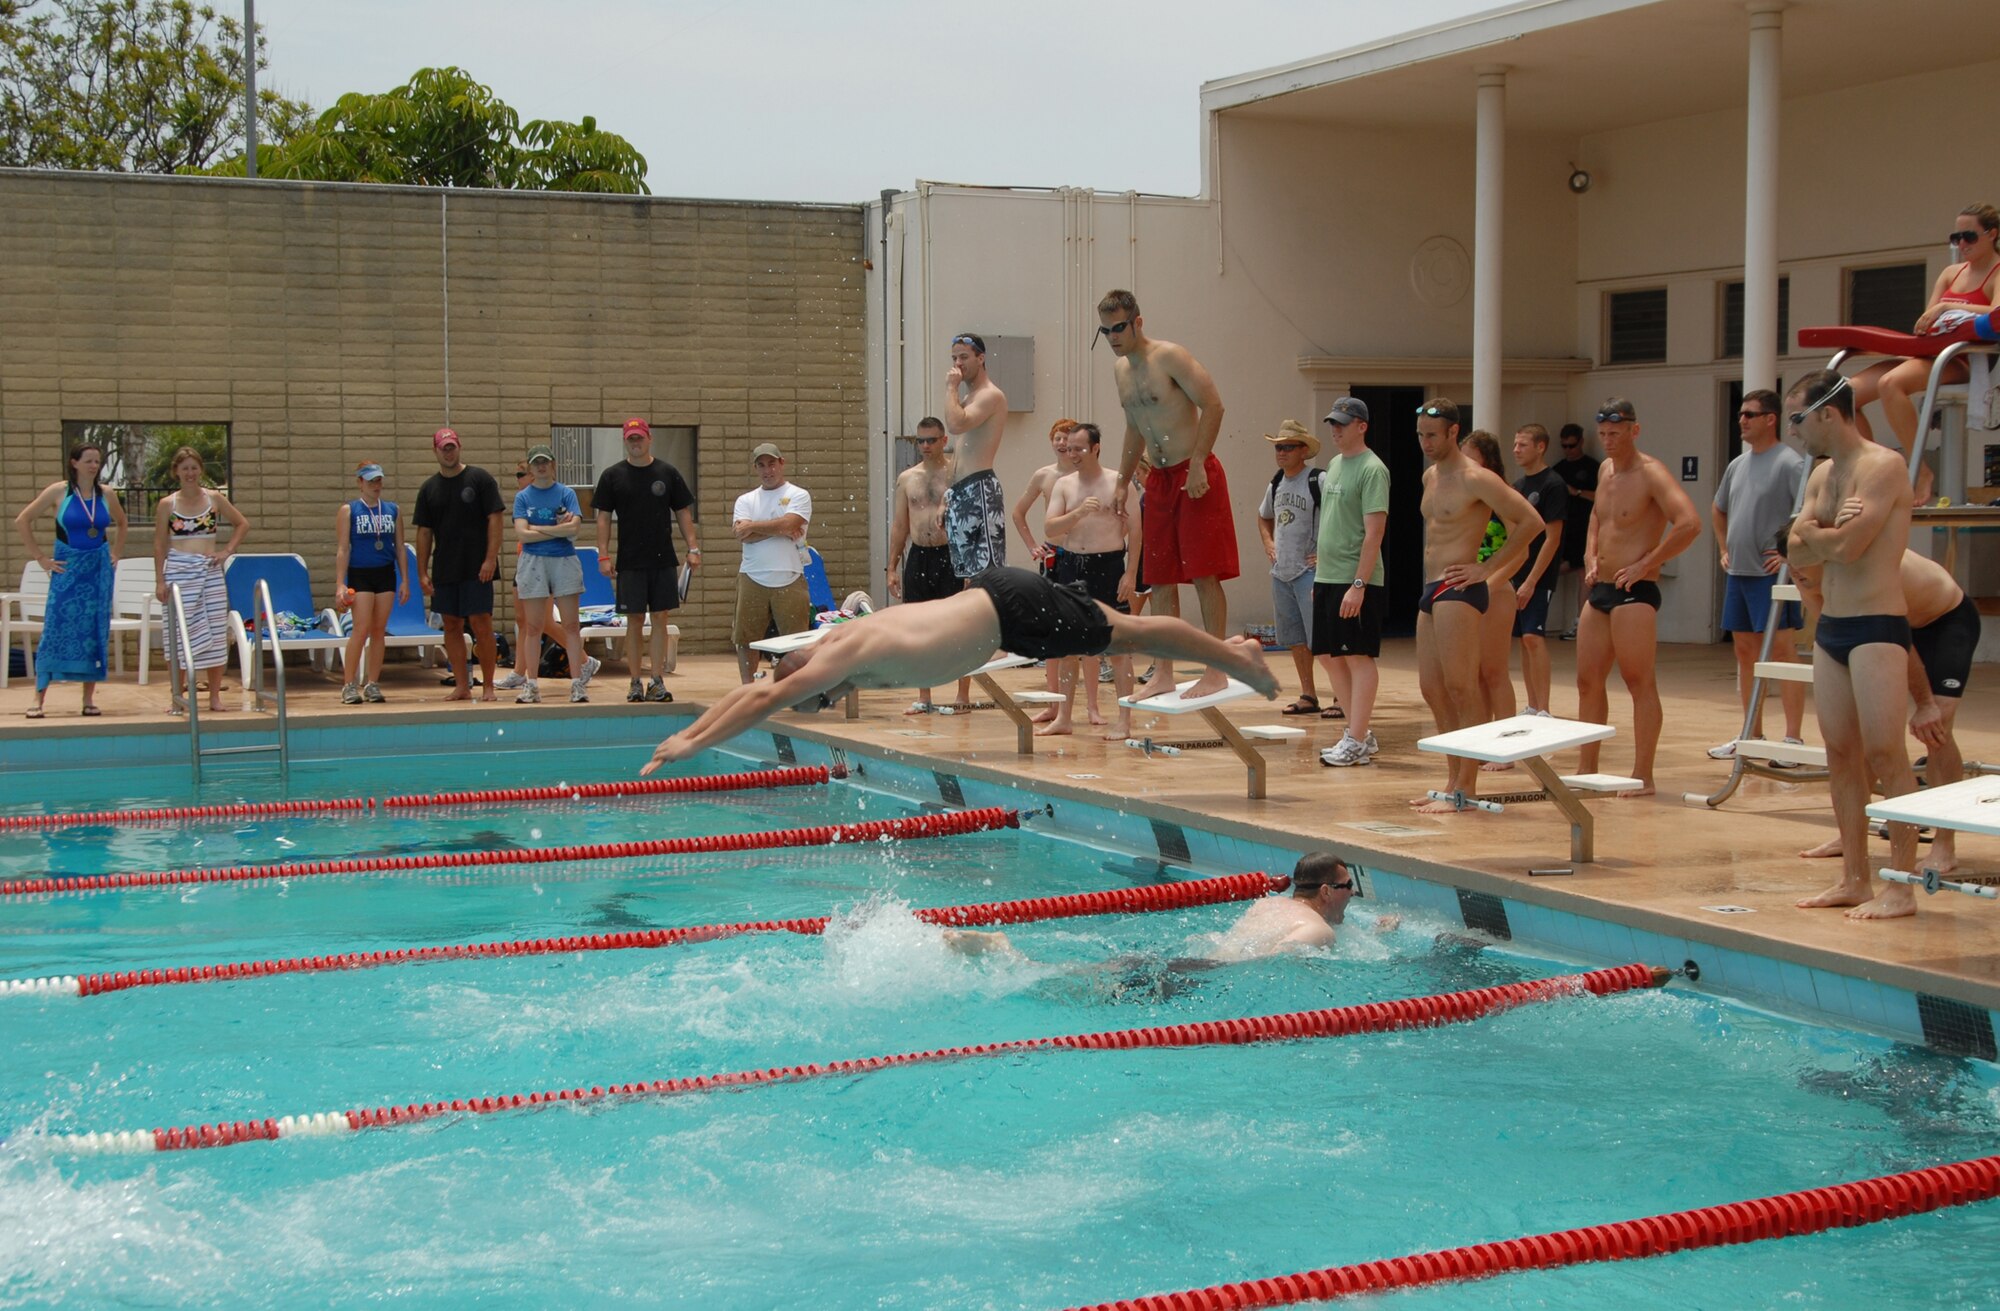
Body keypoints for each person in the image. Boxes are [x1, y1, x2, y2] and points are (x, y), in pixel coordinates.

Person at [643, 565, 1277, 771]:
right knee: (1118, 636)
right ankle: (1231, 653)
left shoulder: (842, 652)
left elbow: (760, 702)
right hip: (1000, 608)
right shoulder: (838, 646)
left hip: (1008, 609)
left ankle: (1234, 655)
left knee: (1127, 633)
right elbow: (753, 691)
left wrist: (689, 743)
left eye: (795, 671)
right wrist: (697, 728)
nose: (795, 665)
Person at [1783, 370, 1919, 919]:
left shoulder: (1883, 466)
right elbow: (1796, 549)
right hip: (1833, 628)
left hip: (1878, 626)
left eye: (1797, 418)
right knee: (1840, 754)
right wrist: (1821, 534)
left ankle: (1902, 885)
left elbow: (1852, 546)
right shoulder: (1821, 474)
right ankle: (1855, 878)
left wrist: (1817, 536)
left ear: (1827, 413)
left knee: (1887, 754)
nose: (1795, 431)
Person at [1792, 548, 1976, 877]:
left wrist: (1925, 704)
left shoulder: (1874, 568)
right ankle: (1850, 835)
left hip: (1946, 620)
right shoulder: (1805, 576)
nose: (1796, 573)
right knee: (1865, 736)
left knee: (1937, 727)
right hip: (1892, 629)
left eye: (1802, 564)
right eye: (1789, 564)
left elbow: (1900, 638)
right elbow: (1833, 633)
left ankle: (1944, 844)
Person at [1100, 288, 1239, 701]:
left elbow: (1213, 405)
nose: (1113, 337)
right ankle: (1163, 672)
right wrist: (1123, 479)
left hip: (1194, 473)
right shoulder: (1121, 372)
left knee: (1203, 573)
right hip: (1157, 480)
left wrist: (1199, 461)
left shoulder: (1171, 356)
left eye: (1119, 327)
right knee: (1159, 578)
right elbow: (1133, 426)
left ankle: (1215, 670)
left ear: (1138, 322)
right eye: (1105, 330)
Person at [1409, 400, 1538, 813]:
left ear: (1453, 433)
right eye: (1420, 435)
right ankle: (1452, 781)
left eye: (1432, 435)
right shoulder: (1430, 476)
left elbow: (1530, 523)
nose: (1425, 442)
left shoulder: (1476, 478)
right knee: (1433, 689)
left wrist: (1486, 568)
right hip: (1431, 589)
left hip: (1459, 590)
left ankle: (1468, 787)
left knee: (1463, 687)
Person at [1573, 398, 1700, 798]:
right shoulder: (1605, 469)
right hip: (1602, 589)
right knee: (1587, 681)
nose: (1608, 441)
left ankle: (1643, 775)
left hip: (1635, 592)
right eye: (1603, 434)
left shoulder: (1652, 474)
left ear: (1634, 430)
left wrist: (1649, 562)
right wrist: (1590, 555)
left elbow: (1689, 524)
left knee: (1638, 681)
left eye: (1616, 433)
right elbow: (1598, 516)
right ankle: (1586, 768)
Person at [943, 851, 1360, 967]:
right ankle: (1005, 952)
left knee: (1081, 983)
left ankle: (1008, 953)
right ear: (1326, 891)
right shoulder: (1319, 933)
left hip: (1190, 959)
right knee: (1065, 990)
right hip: (1195, 976)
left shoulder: (1270, 904)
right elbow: (1269, 966)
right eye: (1347, 887)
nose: (1352, 894)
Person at [1847, 204, 1999, 505]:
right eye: (1956, 237)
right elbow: (1926, 319)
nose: (1962, 244)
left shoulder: (1997, 272)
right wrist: (1939, 313)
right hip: (1932, 352)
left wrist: (1948, 308)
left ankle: (1921, 471)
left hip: (1964, 359)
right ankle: (1878, 467)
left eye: (1969, 236)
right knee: (1845, 396)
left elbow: (1996, 313)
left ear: (1992, 234)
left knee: (1891, 384)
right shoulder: (1950, 273)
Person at [1708, 389, 1808, 760]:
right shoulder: (1737, 464)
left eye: (1750, 414)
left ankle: (1793, 738)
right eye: (1740, 415)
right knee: (1745, 652)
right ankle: (1752, 732)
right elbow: (1718, 510)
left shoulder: (1790, 464)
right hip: (1739, 573)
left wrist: (1788, 557)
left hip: (1772, 578)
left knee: (1782, 652)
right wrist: (1723, 548)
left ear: (1771, 419)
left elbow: (1808, 516)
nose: (1742, 421)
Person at [14, 440, 128, 717]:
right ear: (74, 463)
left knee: (93, 631)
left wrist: (115, 553)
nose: (93, 465)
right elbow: (22, 520)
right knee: (55, 629)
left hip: (97, 571)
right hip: (68, 570)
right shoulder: (58, 492)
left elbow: (122, 523)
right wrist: (41, 558)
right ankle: (39, 699)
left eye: (96, 461)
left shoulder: (107, 494)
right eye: (88, 460)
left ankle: (88, 699)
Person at [593, 416, 699, 703]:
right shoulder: (612, 476)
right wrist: (603, 555)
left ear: (649, 438)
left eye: (640, 437)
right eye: (631, 438)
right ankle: (635, 681)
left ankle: (657, 680)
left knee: (660, 618)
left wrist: (693, 548)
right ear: (625, 441)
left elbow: (682, 512)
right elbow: (603, 518)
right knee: (635, 620)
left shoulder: (667, 472)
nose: (636, 442)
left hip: (663, 559)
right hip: (630, 560)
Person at [1039, 423, 1135, 738]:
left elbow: (1138, 532)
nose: (1073, 454)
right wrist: (1077, 513)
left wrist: (1131, 573)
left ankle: (1124, 720)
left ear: (1095, 448)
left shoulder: (1119, 484)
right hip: (1071, 566)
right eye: (1069, 449)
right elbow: (1050, 529)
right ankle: (1064, 717)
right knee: (1068, 647)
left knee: (1118, 647)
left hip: (1108, 567)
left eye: (1080, 449)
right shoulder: (1064, 486)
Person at [1314, 397, 1388, 768]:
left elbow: (1374, 533)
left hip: (1355, 579)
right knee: (1328, 655)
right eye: (1333, 423)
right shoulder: (1334, 464)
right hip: (1328, 576)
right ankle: (1358, 730)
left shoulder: (1373, 470)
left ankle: (1356, 739)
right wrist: (1320, 575)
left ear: (1362, 426)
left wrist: (1358, 585)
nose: (1335, 429)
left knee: (1359, 656)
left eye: (1343, 423)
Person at [888, 416, 974, 715]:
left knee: (959, 628)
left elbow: (968, 522)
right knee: (918, 628)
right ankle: (924, 695)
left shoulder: (957, 473)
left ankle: (962, 695)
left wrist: (969, 568)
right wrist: (891, 567)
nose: (925, 446)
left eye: (931, 440)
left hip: (950, 556)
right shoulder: (907, 478)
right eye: (920, 441)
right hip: (919, 556)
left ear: (943, 440)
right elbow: (900, 525)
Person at [152, 446, 247, 714]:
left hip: (209, 572)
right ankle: (177, 697)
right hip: (179, 573)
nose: (190, 473)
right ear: (176, 472)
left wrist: (227, 551)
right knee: (178, 637)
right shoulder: (167, 505)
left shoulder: (214, 499)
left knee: (217, 634)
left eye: (194, 468)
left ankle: (214, 696)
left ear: (200, 470)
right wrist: (159, 580)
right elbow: (159, 545)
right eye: (185, 469)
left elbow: (242, 524)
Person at [414, 428, 504, 703]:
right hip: (446, 566)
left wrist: (490, 559)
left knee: (481, 624)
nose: (448, 452)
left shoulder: (480, 479)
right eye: (444, 448)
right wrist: (422, 572)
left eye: (452, 447)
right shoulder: (429, 488)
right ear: (435, 451)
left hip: (478, 566)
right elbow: (424, 532)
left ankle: (488, 685)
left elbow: (496, 519)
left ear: (459, 447)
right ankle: (462, 685)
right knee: (451, 626)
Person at [508, 444, 600, 704]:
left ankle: (577, 683)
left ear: (553, 465)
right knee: (533, 626)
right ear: (530, 467)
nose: (541, 466)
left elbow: (574, 531)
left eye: (545, 462)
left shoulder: (566, 494)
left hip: (564, 560)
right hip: (533, 562)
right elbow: (522, 534)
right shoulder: (523, 497)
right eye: (536, 463)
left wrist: (538, 528)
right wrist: (555, 528)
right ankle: (532, 685)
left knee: (571, 626)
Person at [1009, 418, 1085, 718]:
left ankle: (1090, 706)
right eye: (1057, 437)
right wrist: (1032, 546)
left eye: (1067, 437)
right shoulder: (1044, 475)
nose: (1062, 442)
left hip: (1083, 553)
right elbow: (1018, 513)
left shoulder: (1086, 475)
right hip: (1054, 554)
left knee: (1085, 629)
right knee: (1052, 631)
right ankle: (1054, 704)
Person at [1256, 418, 1329, 718]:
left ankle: (1341, 696)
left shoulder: (1318, 480)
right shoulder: (1275, 483)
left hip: (1310, 572)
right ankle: (1308, 694)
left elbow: (1338, 517)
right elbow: (1263, 517)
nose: (1281, 452)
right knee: (1296, 640)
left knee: (1322, 639)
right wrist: (1268, 544)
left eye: (1287, 447)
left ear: (1303, 450)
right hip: (1282, 573)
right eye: (1278, 447)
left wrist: (1326, 554)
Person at [1460, 431, 1523, 752]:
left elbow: (1521, 551)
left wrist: (1490, 584)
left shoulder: (1500, 495)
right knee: (1476, 674)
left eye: (1470, 457)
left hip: (1495, 591)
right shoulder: (1466, 496)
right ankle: (1485, 741)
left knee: (1495, 671)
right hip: (1467, 592)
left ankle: (1507, 746)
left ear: (1487, 461)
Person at [731, 443, 813, 683]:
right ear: (756, 468)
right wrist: (780, 527)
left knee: (796, 641)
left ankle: (794, 689)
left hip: (790, 575)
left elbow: (790, 524)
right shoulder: (745, 500)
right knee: (745, 638)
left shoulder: (799, 495)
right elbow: (740, 534)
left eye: (772, 464)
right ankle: (748, 688)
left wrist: (754, 526)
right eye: (761, 465)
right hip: (752, 575)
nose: (768, 470)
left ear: (782, 463)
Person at [333, 463, 409, 704]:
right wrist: (340, 584)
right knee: (361, 628)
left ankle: (373, 683)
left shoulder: (393, 510)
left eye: (378, 480)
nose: (376, 485)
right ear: (360, 483)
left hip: (385, 573)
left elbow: (399, 547)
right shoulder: (349, 510)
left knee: (379, 630)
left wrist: (405, 579)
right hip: (360, 574)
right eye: (370, 481)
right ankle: (348, 684)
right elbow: (343, 548)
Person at [1509, 424, 1568, 716]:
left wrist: (1532, 581)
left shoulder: (1552, 484)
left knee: (1534, 637)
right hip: (1516, 573)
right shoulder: (1518, 487)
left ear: (1540, 447)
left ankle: (1544, 707)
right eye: (1515, 445)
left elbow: (1552, 538)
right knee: (1523, 639)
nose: (1516, 450)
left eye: (1523, 445)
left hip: (1538, 576)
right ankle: (1531, 704)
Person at [940, 331, 1010, 578]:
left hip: (979, 489)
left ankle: (991, 616)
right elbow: (959, 452)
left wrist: (951, 388)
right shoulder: (969, 397)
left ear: (981, 358)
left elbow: (956, 425)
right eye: (954, 358)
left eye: (964, 357)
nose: (958, 364)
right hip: (960, 492)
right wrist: (946, 497)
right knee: (966, 573)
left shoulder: (990, 395)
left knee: (986, 573)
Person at [1551, 423, 1597, 638]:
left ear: (1581, 442)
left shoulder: (1592, 467)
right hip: (1562, 529)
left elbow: (1601, 497)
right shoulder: (1557, 470)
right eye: (1564, 446)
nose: (1568, 450)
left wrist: (1576, 491)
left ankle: (1581, 624)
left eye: (1572, 446)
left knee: (1583, 572)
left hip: (1584, 527)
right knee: (1549, 569)